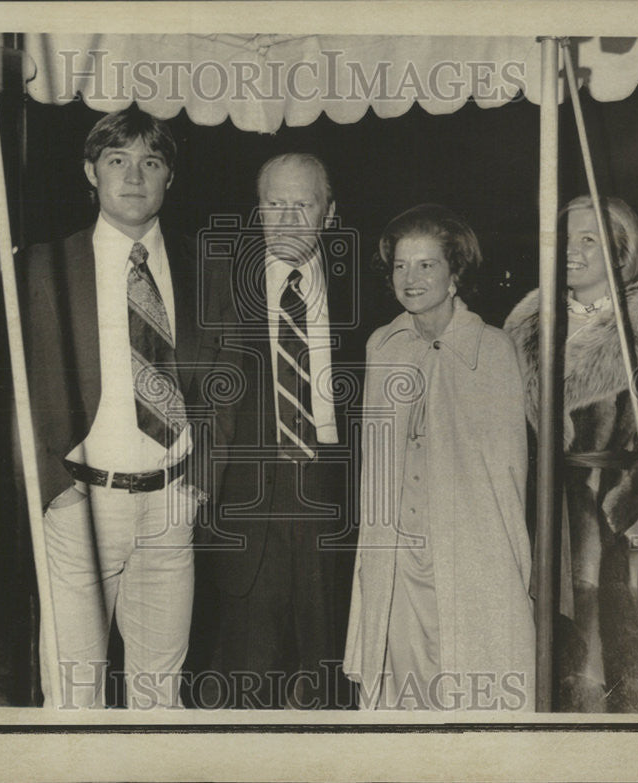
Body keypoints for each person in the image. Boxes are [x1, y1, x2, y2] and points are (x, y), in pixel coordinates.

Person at [17, 105, 240, 709]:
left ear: (171, 177)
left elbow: (226, 383)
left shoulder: (206, 267)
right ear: (91, 172)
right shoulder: (42, 267)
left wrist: (196, 487)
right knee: (73, 693)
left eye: (151, 161)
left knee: (159, 697)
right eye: (117, 160)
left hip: (172, 506)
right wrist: (55, 491)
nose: (134, 176)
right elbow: (14, 391)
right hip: (81, 508)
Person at [504, 195, 638, 713]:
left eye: (588, 240)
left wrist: (621, 514)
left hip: (613, 537)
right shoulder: (525, 330)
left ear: (623, 254)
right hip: (538, 526)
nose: (570, 251)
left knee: (614, 676)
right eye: (565, 240)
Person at [343, 204, 535, 711]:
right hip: (398, 557)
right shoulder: (382, 347)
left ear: (454, 275)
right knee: (401, 691)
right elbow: (373, 469)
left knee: (471, 684)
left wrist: (511, 566)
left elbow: (508, 473)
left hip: (468, 553)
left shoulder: (493, 350)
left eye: (427, 265)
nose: (411, 278)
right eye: (401, 266)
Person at [206, 152, 364, 709]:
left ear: (330, 213)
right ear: (257, 211)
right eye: (275, 204)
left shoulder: (365, 289)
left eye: (304, 204)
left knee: (333, 668)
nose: (289, 219)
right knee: (249, 674)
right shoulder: (219, 283)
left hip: (333, 493)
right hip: (249, 496)